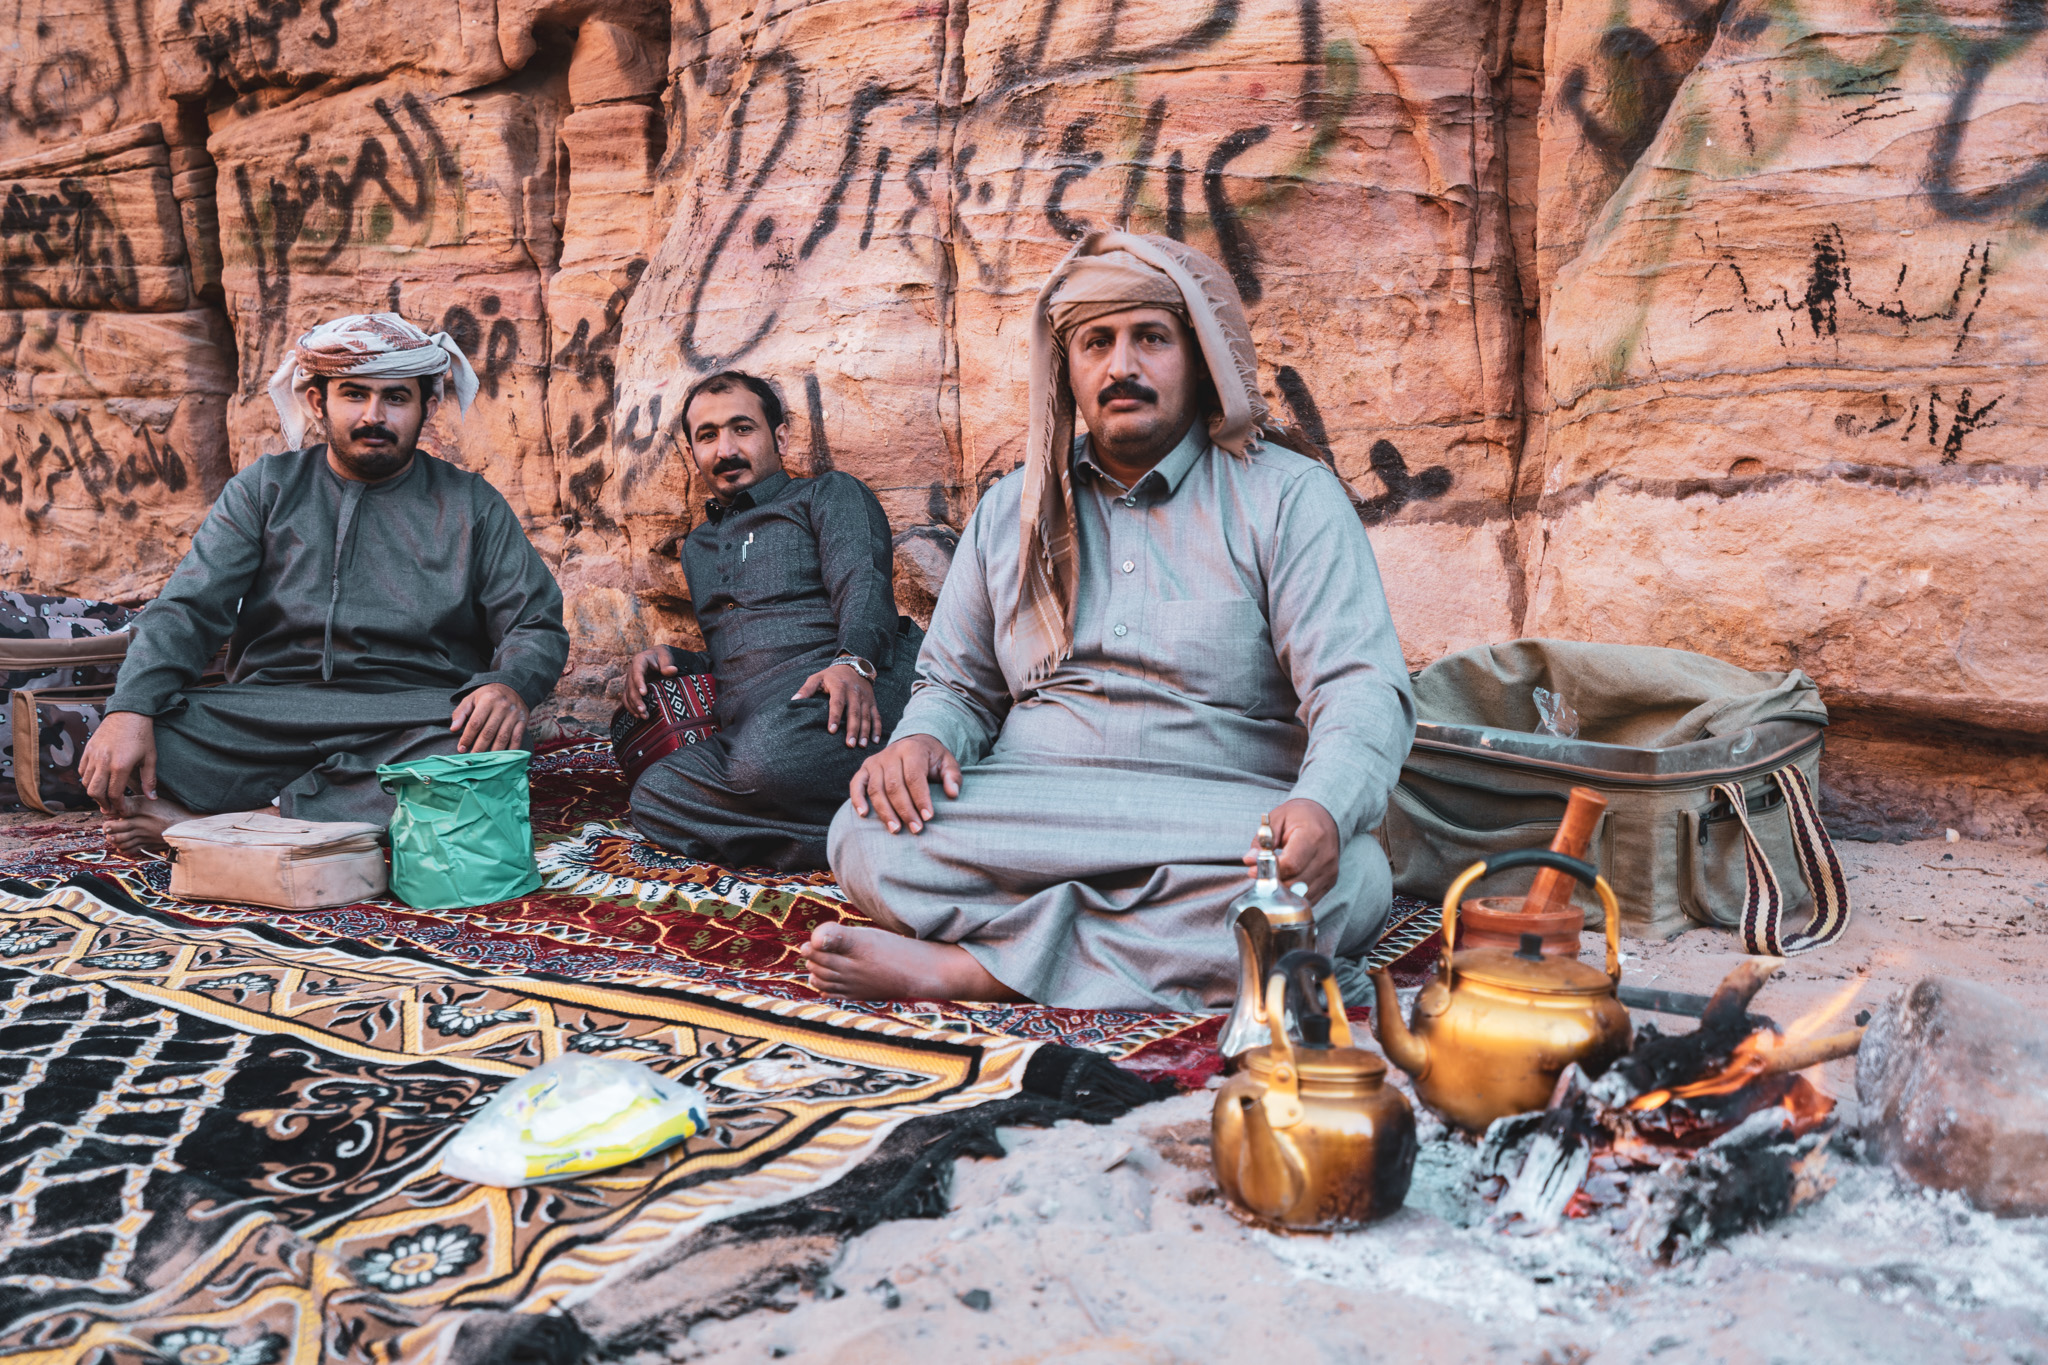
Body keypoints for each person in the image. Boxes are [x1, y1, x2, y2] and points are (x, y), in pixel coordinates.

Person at [807, 231, 1417, 1010]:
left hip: (1216, 811)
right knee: (863, 836)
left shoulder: (1288, 497)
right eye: (1096, 342)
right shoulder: (1011, 509)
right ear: (1068, 369)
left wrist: (1323, 805)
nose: (1121, 366)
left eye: (1150, 338)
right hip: (1038, 804)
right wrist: (921, 740)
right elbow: (956, 685)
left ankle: (974, 970)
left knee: (1349, 881)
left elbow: (1358, 685)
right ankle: (1157, 951)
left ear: (1197, 357)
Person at [80, 312, 569, 852]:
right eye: (354, 395)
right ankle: (327, 817)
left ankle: (228, 828)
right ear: (318, 402)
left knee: (477, 750)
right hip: (267, 716)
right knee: (148, 733)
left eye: (396, 399)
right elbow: (188, 609)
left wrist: (508, 686)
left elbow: (534, 621)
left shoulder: (470, 503)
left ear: (427, 408)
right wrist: (130, 708)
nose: (374, 416)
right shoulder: (266, 489)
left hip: (409, 716)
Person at [623, 371, 921, 870]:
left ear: (779, 436)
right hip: (760, 723)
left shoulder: (825, 495)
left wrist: (855, 662)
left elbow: (865, 585)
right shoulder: (698, 547)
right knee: (653, 794)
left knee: (766, 761)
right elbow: (742, 647)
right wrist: (676, 659)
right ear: (694, 452)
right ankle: (864, 828)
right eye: (708, 436)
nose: (726, 449)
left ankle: (805, 820)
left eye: (743, 429)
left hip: (851, 685)